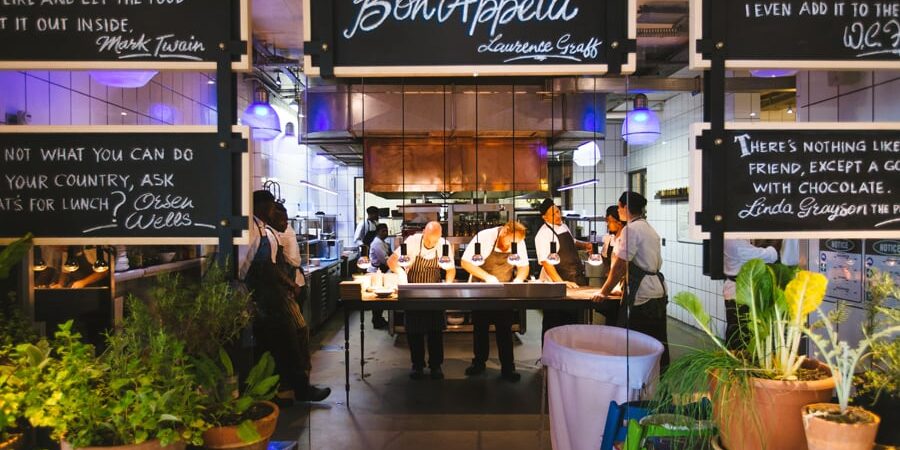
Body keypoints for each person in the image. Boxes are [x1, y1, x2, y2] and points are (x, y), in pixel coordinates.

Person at [241, 190, 330, 403]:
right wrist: (289, 285)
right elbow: (264, 267)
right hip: (264, 298)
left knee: (277, 345)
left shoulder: (262, 229)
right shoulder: (252, 230)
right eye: (272, 206)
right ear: (262, 206)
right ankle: (294, 391)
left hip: (269, 295)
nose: (274, 211)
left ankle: (283, 391)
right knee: (285, 343)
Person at [593, 192, 670, 369]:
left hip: (642, 296)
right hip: (657, 292)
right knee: (657, 341)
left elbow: (620, 266)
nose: (618, 210)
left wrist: (604, 292)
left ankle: (639, 378)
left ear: (626, 207)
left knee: (637, 344)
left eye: (619, 207)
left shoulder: (631, 229)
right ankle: (659, 378)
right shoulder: (647, 227)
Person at [461, 221, 529, 382]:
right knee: (480, 328)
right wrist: (487, 277)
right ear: (504, 232)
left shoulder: (518, 241)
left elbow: (524, 266)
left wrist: (518, 280)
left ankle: (508, 368)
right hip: (481, 290)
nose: (511, 246)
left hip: (503, 292)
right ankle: (479, 363)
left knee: (505, 329)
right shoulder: (484, 237)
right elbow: (465, 262)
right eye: (510, 242)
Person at [388, 221, 455, 380]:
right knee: (414, 331)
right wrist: (401, 274)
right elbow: (391, 261)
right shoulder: (412, 241)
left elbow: (450, 270)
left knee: (435, 332)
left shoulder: (443, 244)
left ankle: (436, 366)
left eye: (435, 240)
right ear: (424, 232)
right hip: (413, 292)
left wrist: (447, 286)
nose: (432, 243)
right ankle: (417, 365)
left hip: (435, 294)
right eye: (429, 240)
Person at [534, 198, 593, 341]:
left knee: (572, 323)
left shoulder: (563, 226)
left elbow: (572, 241)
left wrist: (585, 245)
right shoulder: (543, 234)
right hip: (556, 285)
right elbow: (546, 263)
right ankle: (550, 353)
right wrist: (561, 283)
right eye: (553, 214)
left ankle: (569, 351)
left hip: (574, 279)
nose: (558, 215)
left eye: (558, 211)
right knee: (554, 324)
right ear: (544, 217)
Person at [723, 239, 778, 349]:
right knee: (740, 334)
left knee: (740, 331)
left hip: (742, 290)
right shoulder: (732, 240)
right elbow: (765, 256)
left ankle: (737, 356)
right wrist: (776, 246)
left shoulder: (735, 236)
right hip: (738, 292)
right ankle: (737, 358)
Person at [595, 205, 625, 325]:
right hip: (611, 283)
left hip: (621, 286)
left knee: (618, 319)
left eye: (609, 221)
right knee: (611, 319)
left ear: (619, 222)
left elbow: (621, 267)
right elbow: (604, 257)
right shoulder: (609, 238)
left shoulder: (624, 239)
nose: (607, 224)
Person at [367, 223, 391, 329]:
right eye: (383, 231)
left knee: (381, 299)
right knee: (377, 299)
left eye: (386, 231)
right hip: (375, 272)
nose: (385, 233)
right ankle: (376, 320)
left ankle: (379, 319)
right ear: (378, 232)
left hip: (381, 271)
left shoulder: (383, 242)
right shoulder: (377, 243)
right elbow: (384, 260)